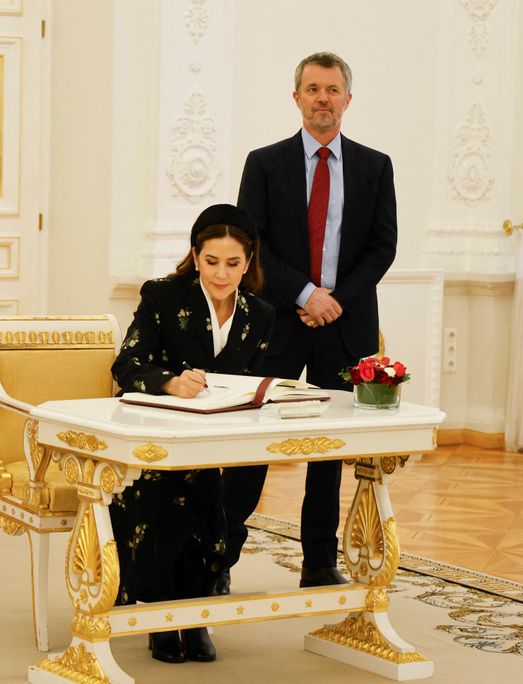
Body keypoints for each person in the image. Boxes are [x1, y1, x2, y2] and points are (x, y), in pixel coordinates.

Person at [223, 51, 398, 590]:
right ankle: (217, 559)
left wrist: (331, 299)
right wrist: (303, 293)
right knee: (252, 441)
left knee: (330, 449)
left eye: (333, 89)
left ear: (348, 99)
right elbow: (251, 244)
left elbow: (382, 247)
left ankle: (319, 563)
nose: (323, 98)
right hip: (278, 320)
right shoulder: (265, 162)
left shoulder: (375, 165)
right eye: (313, 89)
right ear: (296, 97)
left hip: (344, 325)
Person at [110, 203, 273, 664]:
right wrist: (171, 383)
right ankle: (162, 613)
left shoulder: (260, 314)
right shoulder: (163, 295)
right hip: (159, 436)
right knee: (176, 485)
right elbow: (126, 365)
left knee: (231, 487)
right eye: (211, 262)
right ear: (195, 256)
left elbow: (251, 380)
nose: (221, 274)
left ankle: (197, 612)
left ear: (249, 261)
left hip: (225, 437)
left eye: (233, 264)